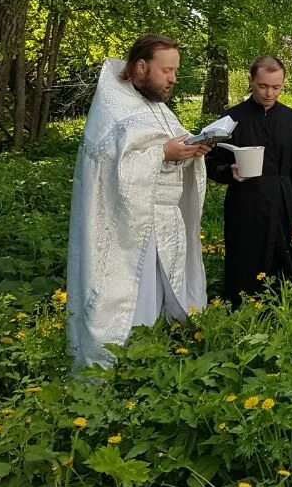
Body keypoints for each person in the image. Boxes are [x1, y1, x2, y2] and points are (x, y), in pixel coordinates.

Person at [66, 34, 210, 368]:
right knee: (132, 302)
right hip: (127, 230)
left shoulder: (157, 106)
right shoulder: (113, 108)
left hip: (164, 221)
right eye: (167, 70)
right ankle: (116, 370)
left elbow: (166, 156)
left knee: (160, 298)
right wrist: (164, 152)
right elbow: (107, 167)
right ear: (141, 66)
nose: (173, 78)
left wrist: (191, 151)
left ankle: (155, 362)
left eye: (175, 71)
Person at [205, 56, 292, 307]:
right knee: (246, 257)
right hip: (245, 201)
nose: (270, 93)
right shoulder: (231, 118)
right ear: (251, 81)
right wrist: (228, 171)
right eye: (263, 86)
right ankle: (242, 309)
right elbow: (209, 160)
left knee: (284, 259)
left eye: (277, 87)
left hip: (282, 199)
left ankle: (283, 310)